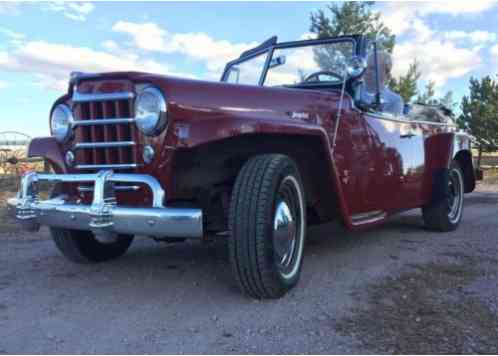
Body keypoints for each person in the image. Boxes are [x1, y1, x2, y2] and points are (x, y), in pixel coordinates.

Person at [361, 50, 404, 116]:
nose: (367, 72)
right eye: (366, 68)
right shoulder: (352, 90)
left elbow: (386, 125)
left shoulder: (395, 101)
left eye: (372, 68)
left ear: (387, 75)